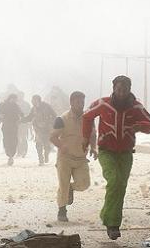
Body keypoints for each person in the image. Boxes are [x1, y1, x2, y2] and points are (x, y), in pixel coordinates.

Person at [82, 75, 150, 240]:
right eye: (119, 89)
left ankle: (106, 215)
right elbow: (86, 117)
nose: (122, 93)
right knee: (114, 181)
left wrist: (140, 127)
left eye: (125, 90)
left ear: (129, 90)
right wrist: (85, 139)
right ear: (114, 89)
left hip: (126, 153)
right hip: (106, 151)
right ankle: (113, 225)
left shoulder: (136, 107)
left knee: (120, 186)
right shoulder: (103, 103)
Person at [50, 91, 97, 222]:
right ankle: (62, 210)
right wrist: (61, 146)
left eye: (82, 102)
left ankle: (72, 188)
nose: (81, 105)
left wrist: (94, 148)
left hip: (81, 158)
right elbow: (52, 137)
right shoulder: (61, 119)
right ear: (71, 103)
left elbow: (93, 135)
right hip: (65, 158)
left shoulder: (88, 119)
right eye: (78, 102)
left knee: (84, 184)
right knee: (63, 184)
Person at [22, 95, 57, 166]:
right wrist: (22, 120)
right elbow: (30, 117)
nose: (33, 102)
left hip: (47, 128)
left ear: (38, 100)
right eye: (32, 100)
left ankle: (46, 154)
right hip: (38, 129)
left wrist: (51, 122)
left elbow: (54, 115)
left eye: (34, 100)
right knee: (38, 143)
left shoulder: (47, 106)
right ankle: (41, 159)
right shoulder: (33, 109)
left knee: (47, 144)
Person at [0, 94, 23, 166]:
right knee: (6, 140)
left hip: (14, 126)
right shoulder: (3, 104)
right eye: (13, 99)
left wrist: (22, 118)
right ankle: (9, 155)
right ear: (10, 98)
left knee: (14, 140)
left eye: (15, 99)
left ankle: (11, 156)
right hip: (6, 125)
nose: (14, 100)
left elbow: (21, 113)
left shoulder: (16, 106)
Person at [15, 91, 31, 158]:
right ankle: (19, 151)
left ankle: (24, 151)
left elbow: (29, 114)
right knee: (18, 138)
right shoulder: (15, 104)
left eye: (21, 96)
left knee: (23, 137)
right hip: (17, 123)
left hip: (24, 123)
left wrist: (29, 123)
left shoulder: (26, 104)